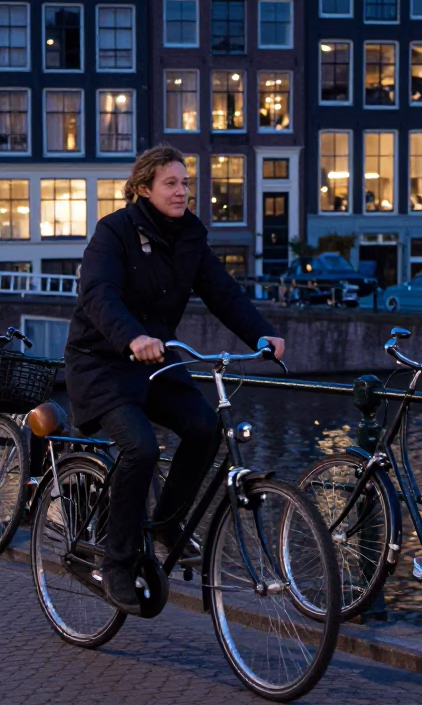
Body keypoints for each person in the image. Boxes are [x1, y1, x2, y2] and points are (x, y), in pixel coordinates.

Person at [64, 144, 285, 614]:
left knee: (205, 428)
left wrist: (262, 334)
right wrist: (132, 336)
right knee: (140, 448)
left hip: (156, 361)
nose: (182, 191)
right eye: (171, 183)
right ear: (143, 189)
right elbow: (98, 293)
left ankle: (166, 522)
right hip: (103, 361)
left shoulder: (189, 237)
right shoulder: (114, 231)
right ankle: (117, 562)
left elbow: (223, 293)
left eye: (185, 183)